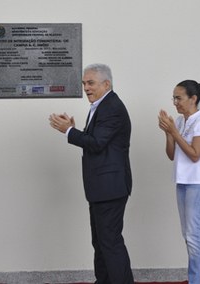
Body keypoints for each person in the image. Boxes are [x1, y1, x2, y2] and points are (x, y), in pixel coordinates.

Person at [49, 63, 134, 284]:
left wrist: (68, 131)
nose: (86, 87)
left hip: (110, 188)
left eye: (91, 83)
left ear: (106, 84)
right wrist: (76, 130)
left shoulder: (112, 107)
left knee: (110, 242)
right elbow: (100, 140)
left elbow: (97, 144)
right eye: (84, 83)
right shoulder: (102, 105)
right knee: (101, 242)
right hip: (101, 188)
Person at [158, 80, 200, 284]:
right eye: (173, 98)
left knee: (194, 236)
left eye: (179, 98)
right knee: (189, 235)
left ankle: (198, 281)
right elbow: (171, 154)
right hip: (184, 182)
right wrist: (168, 133)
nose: (175, 102)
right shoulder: (180, 121)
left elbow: (195, 154)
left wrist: (174, 132)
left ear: (193, 99)